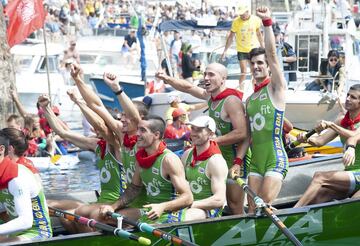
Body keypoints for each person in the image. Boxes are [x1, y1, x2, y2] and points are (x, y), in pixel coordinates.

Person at [156, 63, 249, 215]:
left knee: (234, 205)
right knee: (213, 201)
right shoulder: (211, 96)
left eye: (211, 74)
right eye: (205, 74)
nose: (206, 78)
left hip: (234, 158)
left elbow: (242, 133)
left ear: (223, 79)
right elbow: (187, 87)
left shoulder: (231, 101)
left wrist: (211, 142)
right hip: (215, 155)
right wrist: (167, 78)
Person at [97, 116, 193, 224]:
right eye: (138, 129)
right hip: (151, 210)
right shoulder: (142, 158)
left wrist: (162, 206)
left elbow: (188, 197)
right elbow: (134, 188)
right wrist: (113, 207)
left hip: (171, 212)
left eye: (142, 130)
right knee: (105, 218)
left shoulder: (169, 160)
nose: (137, 133)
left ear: (156, 135)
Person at [244, 6, 289, 214]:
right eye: (252, 63)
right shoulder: (250, 99)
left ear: (268, 66)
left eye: (260, 63)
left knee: (263, 208)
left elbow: (272, 54)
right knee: (252, 209)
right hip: (256, 161)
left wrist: (267, 23)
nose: (256, 66)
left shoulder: (276, 87)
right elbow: (248, 135)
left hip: (275, 157)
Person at [294, 84, 360, 207]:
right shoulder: (341, 121)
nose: (348, 99)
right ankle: (298, 219)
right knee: (321, 194)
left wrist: (330, 125)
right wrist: (306, 138)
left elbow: (353, 135)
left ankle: (292, 211)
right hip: (350, 174)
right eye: (347, 95)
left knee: (320, 177)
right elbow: (320, 141)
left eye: (353, 97)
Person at [0, 131, 52, 242]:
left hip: (37, 233)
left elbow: (25, 221)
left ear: (1, 150)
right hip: (14, 233)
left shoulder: (17, 177)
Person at [181, 116, 227, 220]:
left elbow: (219, 199)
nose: (193, 133)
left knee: (185, 216)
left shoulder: (216, 162)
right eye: (192, 128)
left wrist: (190, 205)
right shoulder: (187, 155)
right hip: (188, 205)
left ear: (211, 134)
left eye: (199, 130)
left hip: (208, 210)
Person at [221, 4, 264, 89]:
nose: (241, 16)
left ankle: (256, 90)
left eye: (243, 14)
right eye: (240, 14)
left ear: (247, 12)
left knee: (254, 71)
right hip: (242, 49)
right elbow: (231, 37)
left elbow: (259, 34)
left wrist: (263, 47)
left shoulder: (255, 20)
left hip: (253, 49)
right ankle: (241, 91)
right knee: (243, 72)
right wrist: (225, 51)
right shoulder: (236, 21)